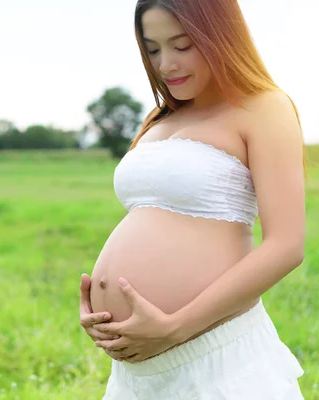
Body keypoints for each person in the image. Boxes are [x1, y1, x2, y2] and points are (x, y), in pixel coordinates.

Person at [79, 0, 307, 399]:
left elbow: (286, 246)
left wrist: (175, 327)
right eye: (153, 49)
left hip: (217, 358)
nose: (166, 63)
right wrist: (102, 313)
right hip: (139, 377)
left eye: (182, 45)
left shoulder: (264, 107)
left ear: (221, 37)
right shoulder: (161, 118)